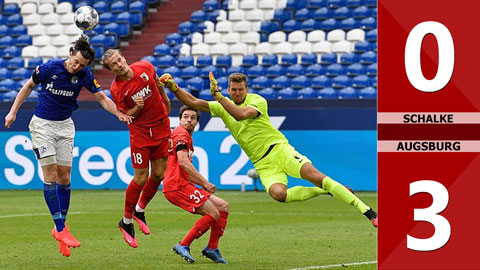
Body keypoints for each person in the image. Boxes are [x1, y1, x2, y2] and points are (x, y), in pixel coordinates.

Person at [159, 72, 378, 228]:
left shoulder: (257, 101)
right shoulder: (222, 105)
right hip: (262, 163)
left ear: (246, 89)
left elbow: (240, 114)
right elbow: (194, 102)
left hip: (279, 150)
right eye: (232, 90)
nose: (236, 93)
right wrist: (173, 87)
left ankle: (368, 211)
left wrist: (219, 97)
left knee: (314, 175)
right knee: (279, 195)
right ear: (228, 89)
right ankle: (327, 191)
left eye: (240, 90)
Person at [4, 35, 132, 257]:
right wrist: (13, 111)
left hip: (65, 127)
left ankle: (59, 228)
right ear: (71, 53)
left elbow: (102, 98)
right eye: (76, 62)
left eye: (82, 65)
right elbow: (27, 87)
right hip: (43, 125)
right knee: (51, 174)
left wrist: (119, 114)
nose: (77, 67)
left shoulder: (84, 75)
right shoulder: (48, 68)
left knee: (65, 177)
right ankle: (61, 229)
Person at [101, 49, 171, 248]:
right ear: (110, 69)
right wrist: (137, 107)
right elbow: (126, 116)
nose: (119, 64)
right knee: (141, 177)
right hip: (140, 132)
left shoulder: (145, 66)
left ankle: (140, 210)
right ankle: (126, 221)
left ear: (124, 57)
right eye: (114, 64)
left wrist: (165, 101)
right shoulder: (117, 89)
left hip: (160, 126)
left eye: (119, 59)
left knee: (159, 175)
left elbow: (157, 84)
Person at [164, 105, 229, 264]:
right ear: (180, 119)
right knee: (213, 213)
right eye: (185, 117)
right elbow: (183, 162)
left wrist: (200, 182)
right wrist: (204, 182)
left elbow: (184, 168)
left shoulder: (187, 137)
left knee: (223, 206)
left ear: (197, 122)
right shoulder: (180, 134)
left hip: (183, 183)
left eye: (192, 118)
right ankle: (183, 244)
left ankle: (212, 248)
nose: (189, 120)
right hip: (176, 186)